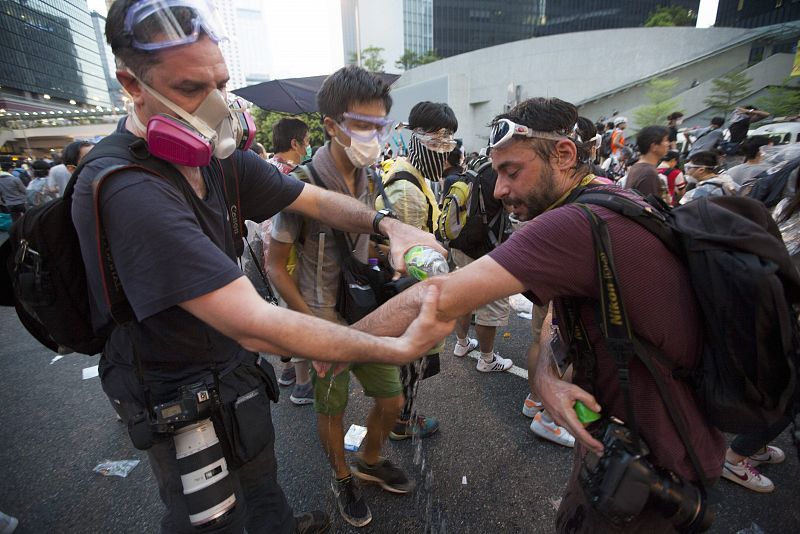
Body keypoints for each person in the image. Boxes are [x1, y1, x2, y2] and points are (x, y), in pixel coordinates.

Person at [72, 4, 451, 534]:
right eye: (188, 88)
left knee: (263, 484)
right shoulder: (130, 188)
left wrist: (390, 226)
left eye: (220, 84)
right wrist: (394, 346)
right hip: (173, 389)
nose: (212, 105)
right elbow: (251, 316)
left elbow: (312, 199)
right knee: (211, 519)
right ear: (132, 84)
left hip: (232, 369)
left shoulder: (216, 158)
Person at [356, 96, 725, 533]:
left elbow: (436, 296)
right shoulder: (605, 197)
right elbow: (556, 312)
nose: (499, 190)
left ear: (565, 155)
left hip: (653, 463)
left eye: (513, 171)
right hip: (631, 444)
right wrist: (547, 375)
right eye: (497, 174)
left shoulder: (573, 224)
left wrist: (327, 344)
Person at [268, 65, 418, 529]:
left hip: (363, 315)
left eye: (381, 125)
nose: (373, 136)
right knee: (330, 409)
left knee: (392, 400)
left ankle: (370, 460)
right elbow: (275, 264)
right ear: (331, 125)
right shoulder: (301, 184)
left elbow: (362, 244)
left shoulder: (372, 179)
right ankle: (341, 476)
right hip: (321, 319)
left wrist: (390, 250)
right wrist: (311, 323)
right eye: (362, 125)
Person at [377, 101, 457, 441]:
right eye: (438, 143)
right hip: (409, 290)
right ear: (417, 139)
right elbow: (410, 257)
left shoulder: (410, 173)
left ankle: (401, 415)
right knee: (409, 359)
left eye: (449, 142)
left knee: (409, 360)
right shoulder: (407, 187)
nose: (445, 152)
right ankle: (402, 421)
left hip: (411, 288)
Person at [264, 117, 313, 401]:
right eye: (306, 141)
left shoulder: (263, 169)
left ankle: (289, 371)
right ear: (295, 143)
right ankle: (303, 385)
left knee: (285, 313)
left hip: (269, 256)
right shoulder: (295, 175)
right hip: (293, 257)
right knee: (299, 318)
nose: (308, 146)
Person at [624, 125, 670, 198]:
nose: (668, 144)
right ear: (654, 146)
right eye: (666, 140)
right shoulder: (649, 173)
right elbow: (649, 207)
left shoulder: (636, 166)